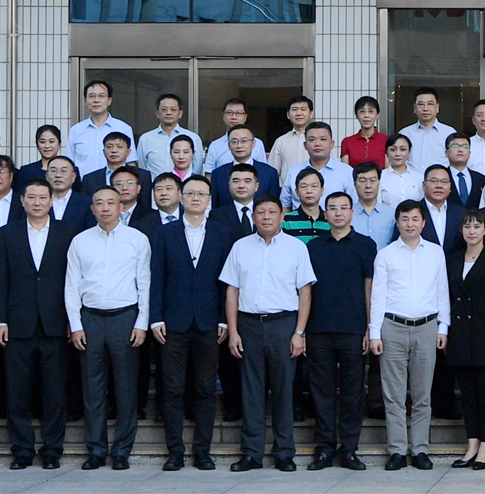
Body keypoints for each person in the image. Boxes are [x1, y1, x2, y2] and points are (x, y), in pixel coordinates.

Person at [219, 198, 314, 473]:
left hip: (284, 325)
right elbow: (232, 291)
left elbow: (305, 292)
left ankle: (284, 452)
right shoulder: (240, 247)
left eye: (272, 212)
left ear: (282, 216)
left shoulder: (296, 248)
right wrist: (233, 331)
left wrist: (299, 332)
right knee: (251, 390)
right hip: (249, 324)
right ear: (254, 217)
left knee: (284, 390)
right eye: (261, 212)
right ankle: (252, 453)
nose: (266, 217)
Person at [148, 176, 236, 471]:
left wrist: (224, 319)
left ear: (210, 200)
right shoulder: (165, 232)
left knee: (205, 389)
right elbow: (156, 277)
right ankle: (175, 451)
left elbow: (227, 282)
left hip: (210, 323)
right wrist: (156, 317)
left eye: (202, 194)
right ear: (181, 198)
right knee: (172, 389)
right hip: (173, 322)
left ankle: (202, 451)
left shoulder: (222, 233)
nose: (196, 198)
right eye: (190, 193)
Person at [65, 187, 153, 471]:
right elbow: (71, 285)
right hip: (90, 319)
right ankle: (96, 450)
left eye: (110, 203)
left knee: (126, 389)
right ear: (92, 209)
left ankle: (122, 451)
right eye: (99, 203)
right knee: (92, 389)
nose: (105, 208)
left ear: (121, 207)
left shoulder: (137, 239)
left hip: (125, 318)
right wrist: (76, 324)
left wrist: (141, 322)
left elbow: (145, 284)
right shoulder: (80, 241)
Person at [0, 179, 74, 470]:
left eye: (43, 197)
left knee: (55, 392)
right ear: (22, 201)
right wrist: (0, 320)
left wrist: (72, 320)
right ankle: (22, 450)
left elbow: (74, 279)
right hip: (18, 324)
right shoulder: (7, 233)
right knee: (18, 392)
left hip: (56, 324)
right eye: (32, 197)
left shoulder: (68, 232)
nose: (37, 202)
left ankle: (52, 450)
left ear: (51, 201)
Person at [369, 200, 450, 471]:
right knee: (393, 394)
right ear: (397, 222)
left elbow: (442, 290)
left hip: (426, 327)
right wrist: (374, 332)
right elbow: (378, 295)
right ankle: (396, 450)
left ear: (423, 223)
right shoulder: (386, 255)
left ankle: (420, 449)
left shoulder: (435, 253)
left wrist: (443, 326)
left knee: (422, 393)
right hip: (392, 326)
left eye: (415, 219)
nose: (410, 224)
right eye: (405, 219)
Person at [302, 191, 378, 471]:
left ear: (352, 212)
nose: (337, 213)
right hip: (318, 329)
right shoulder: (313, 246)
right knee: (321, 392)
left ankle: (348, 450)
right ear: (325, 213)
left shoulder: (365, 245)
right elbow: (305, 290)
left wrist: (369, 328)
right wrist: (302, 331)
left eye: (343, 208)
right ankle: (324, 449)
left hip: (353, 329)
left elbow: (369, 288)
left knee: (352, 392)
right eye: (332, 208)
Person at [446, 211, 485, 470]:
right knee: (467, 394)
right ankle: (471, 443)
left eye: (477, 226)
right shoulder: (452, 259)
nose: (471, 231)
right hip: (460, 332)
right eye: (467, 226)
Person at [69, 81, 137, 176]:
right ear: (85, 101)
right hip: (83, 184)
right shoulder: (76, 130)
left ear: (109, 101)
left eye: (101, 96)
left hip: (116, 183)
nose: (96, 100)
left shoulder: (123, 128)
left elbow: (131, 162)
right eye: (92, 96)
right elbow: (69, 163)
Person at [281, 121, 352, 209]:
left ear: (332, 144)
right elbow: (285, 207)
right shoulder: (293, 172)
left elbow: (354, 205)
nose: (317, 144)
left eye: (323, 139)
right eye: (312, 140)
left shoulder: (346, 172)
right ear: (305, 145)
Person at [210, 124, 278, 210]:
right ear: (229, 146)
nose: (239, 146)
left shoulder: (269, 173)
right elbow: (215, 208)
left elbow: (274, 207)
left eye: (244, 141)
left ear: (253, 143)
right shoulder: (218, 174)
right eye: (234, 142)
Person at [80, 132, 151, 210]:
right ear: (103, 152)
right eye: (109, 147)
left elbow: (145, 205)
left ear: (128, 152)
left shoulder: (143, 175)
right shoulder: (89, 178)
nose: (114, 150)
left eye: (119, 147)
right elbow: (85, 207)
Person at [139, 93, 202, 175]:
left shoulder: (194, 138)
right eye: (164, 109)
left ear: (180, 114)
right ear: (157, 113)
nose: (168, 113)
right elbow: (142, 170)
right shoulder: (145, 139)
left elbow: (197, 169)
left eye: (173, 109)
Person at [399, 87, 458, 171]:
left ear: (437, 107)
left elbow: (456, 161)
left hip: (440, 179)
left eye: (430, 104)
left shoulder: (449, 133)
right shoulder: (404, 134)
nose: (425, 108)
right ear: (415, 108)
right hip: (410, 179)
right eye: (421, 104)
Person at [267, 95, 316, 181]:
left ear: (311, 114)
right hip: (287, 188)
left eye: (303, 109)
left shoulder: (321, 140)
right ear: (288, 115)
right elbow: (272, 172)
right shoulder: (281, 141)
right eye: (294, 109)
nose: (299, 113)